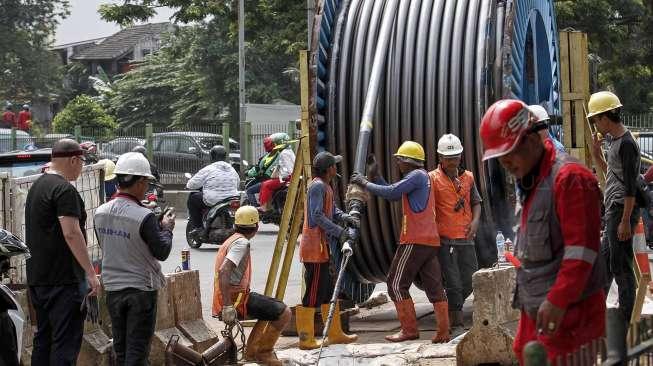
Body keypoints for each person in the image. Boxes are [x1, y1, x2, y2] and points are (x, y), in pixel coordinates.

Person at [480, 99, 606, 363]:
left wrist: (558, 301)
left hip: (571, 318)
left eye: (509, 151)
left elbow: (581, 253)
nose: (504, 162)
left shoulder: (570, 179)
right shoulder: (532, 181)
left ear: (532, 139)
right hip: (539, 311)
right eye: (499, 156)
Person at [350, 141, 450, 343]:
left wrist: (364, 182)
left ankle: (409, 330)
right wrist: (376, 176)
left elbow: (392, 192)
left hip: (415, 239)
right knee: (434, 287)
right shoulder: (421, 177)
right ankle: (443, 332)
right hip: (429, 240)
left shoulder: (416, 176)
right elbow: (394, 193)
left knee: (395, 284)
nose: (397, 164)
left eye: (399, 160)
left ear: (408, 161)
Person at [24, 138, 101, 365]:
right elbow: (71, 233)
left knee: (43, 341)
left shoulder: (37, 187)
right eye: (81, 163)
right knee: (65, 345)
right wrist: (90, 272)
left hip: (39, 280)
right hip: (64, 282)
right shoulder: (64, 190)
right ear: (74, 160)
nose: (81, 168)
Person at [94, 152, 175, 365]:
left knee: (121, 351)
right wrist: (166, 229)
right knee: (137, 353)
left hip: (113, 290)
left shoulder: (100, 212)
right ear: (139, 182)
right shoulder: (144, 216)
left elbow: (109, 244)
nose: (147, 187)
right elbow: (162, 251)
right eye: (147, 182)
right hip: (140, 290)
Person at [212, 206, 291, 365]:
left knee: (268, 310)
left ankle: (252, 352)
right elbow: (224, 271)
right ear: (256, 227)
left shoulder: (233, 239)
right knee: (285, 313)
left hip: (232, 298)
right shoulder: (241, 243)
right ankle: (264, 353)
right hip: (236, 300)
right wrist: (228, 306)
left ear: (235, 225)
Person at [295, 151, 359, 349]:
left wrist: (344, 216)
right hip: (314, 249)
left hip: (322, 248)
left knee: (328, 291)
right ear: (330, 169)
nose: (337, 167)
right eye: (335, 165)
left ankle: (334, 333)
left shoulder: (325, 187)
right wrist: (340, 232)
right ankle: (306, 339)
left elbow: (330, 212)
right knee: (313, 295)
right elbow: (317, 217)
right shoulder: (317, 187)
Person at [588, 91, 641, 323]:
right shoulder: (615, 141)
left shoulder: (627, 143)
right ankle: (595, 315)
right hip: (614, 211)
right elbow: (611, 173)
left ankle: (628, 320)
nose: (596, 124)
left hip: (622, 210)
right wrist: (595, 153)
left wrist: (625, 221)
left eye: (596, 119)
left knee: (621, 268)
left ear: (605, 118)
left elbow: (630, 187)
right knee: (606, 265)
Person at [429, 134, 482, 329]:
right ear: (440, 158)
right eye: (448, 158)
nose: (452, 162)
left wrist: (475, 222)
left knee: (471, 278)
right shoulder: (432, 179)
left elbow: (476, 202)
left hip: (467, 238)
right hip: (446, 240)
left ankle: (453, 307)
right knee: (453, 281)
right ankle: (457, 322)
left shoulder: (468, 177)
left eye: (456, 157)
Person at [186, 145, 240, 235]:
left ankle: (198, 227)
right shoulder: (232, 169)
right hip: (232, 198)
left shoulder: (208, 169)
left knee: (192, 198)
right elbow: (237, 184)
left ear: (212, 156)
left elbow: (191, 184)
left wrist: (189, 185)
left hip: (214, 199)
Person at [258, 133, 295, 212]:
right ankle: (270, 206)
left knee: (265, 185)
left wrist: (288, 179)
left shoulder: (284, 153)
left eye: (275, 143)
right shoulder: (288, 151)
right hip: (287, 178)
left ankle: (264, 207)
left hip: (286, 179)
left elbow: (290, 169)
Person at [246, 136, 279, 205]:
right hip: (280, 180)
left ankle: (255, 209)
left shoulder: (267, 157)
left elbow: (257, 170)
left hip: (269, 180)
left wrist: (248, 173)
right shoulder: (280, 154)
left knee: (249, 191)